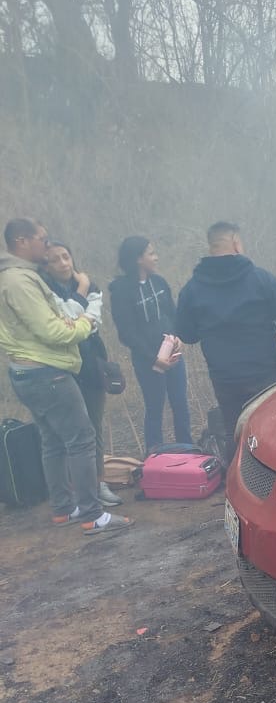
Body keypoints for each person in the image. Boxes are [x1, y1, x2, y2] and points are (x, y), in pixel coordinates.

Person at [0, 218, 133, 532]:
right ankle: (92, 514)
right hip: (46, 373)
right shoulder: (19, 281)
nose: (46, 246)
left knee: (52, 441)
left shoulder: (15, 277)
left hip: (27, 370)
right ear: (22, 241)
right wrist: (85, 323)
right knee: (82, 439)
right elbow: (55, 331)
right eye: (42, 239)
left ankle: (63, 508)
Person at [176, 221, 276, 444]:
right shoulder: (262, 280)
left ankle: (237, 465)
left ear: (211, 246)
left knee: (235, 434)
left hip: (224, 378)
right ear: (236, 243)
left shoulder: (191, 290)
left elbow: (187, 334)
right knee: (272, 434)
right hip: (265, 374)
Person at [42, 241, 121, 506]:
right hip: (62, 368)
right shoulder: (45, 292)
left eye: (66, 256)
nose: (63, 263)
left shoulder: (93, 287)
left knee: (94, 426)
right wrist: (82, 291)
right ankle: (76, 490)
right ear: (46, 265)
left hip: (91, 365)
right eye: (55, 259)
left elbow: (91, 322)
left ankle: (98, 483)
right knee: (69, 432)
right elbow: (66, 320)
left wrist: (78, 316)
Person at [109, 236, 192, 452]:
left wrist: (177, 337)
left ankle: (189, 452)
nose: (156, 257)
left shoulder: (159, 283)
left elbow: (172, 315)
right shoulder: (121, 291)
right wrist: (153, 358)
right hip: (148, 361)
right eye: (151, 253)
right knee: (155, 408)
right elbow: (127, 333)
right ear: (138, 258)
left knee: (181, 405)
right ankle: (154, 455)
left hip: (173, 355)